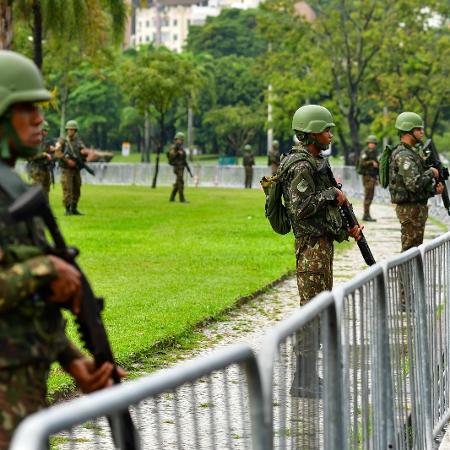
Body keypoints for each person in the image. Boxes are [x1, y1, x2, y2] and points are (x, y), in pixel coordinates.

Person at [0, 50, 121, 449]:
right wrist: (45, 271)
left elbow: (27, 304)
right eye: (26, 109)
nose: (39, 120)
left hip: (22, 393)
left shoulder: (12, 188)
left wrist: (73, 362)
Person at [279, 104, 362, 401]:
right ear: (311, 133)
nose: (330, 134)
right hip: (310, 248)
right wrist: (331, 194)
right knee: (311, 312)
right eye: (326, 130)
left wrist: (345, 228)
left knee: (318, 311)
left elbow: (324, 214)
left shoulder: (316, 162)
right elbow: (302, 209)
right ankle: (301, 381)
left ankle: (309, 376)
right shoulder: (301, 166)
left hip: (321, 246)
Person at [388, 112, 444, 252]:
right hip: (409, 210)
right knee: (409, 250)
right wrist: (431, 172)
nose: (422, 132)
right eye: (418, 129)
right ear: (408, 131)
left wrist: (432, 191)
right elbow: (414, 184)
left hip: (415, 208)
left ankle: (410, 275)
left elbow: (416, 186)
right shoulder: (404, 156)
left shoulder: (412, 153)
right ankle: (404, 275)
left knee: (414, 249)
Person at [54, 120, 88, 215]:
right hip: (66, 169)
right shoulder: (62, 140)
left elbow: (83, 150)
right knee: (67, 188)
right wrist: (67, 160)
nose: (70, 131)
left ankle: (74, 208)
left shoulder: (78, 141)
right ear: (66, 130)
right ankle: (67, 209)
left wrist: (84, 154)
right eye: (69, 129)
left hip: (76, 169)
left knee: (77, 188)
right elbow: (57, 152)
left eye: (72, 130)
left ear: (75, 130)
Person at [26, 120, 54, 198]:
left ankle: (44, 207)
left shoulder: (44, 142)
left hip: (45, 168)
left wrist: (51, 150)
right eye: (45, 130)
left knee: (46, 189)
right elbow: (30, 155)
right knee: (37, 191)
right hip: (37, 169)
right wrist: (44, 154)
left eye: (47, 130)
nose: (47, 132)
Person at [359, 135, 379, 221]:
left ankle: (367, 215)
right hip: (367, 177)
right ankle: (366, 215)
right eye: (371, 143)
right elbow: (361, 163)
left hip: (373, 177)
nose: (372, 144)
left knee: (370, 196)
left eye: (374, 143)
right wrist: (371, 162)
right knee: (368, 196)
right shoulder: (365, 152)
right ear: (368, 143)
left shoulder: (375, 152)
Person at [167, 131, 189, 203]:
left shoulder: (181, 148)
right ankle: (182, 199)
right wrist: (177, 153)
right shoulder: (174, 147)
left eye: (182, 140)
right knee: (180, 183)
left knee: (177, 183)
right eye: (180, 139)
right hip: (177, 167)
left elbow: (183, 158)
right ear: (176, 139)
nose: (181, 141)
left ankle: (172, 198)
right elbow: (171, 156)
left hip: (181, 167)